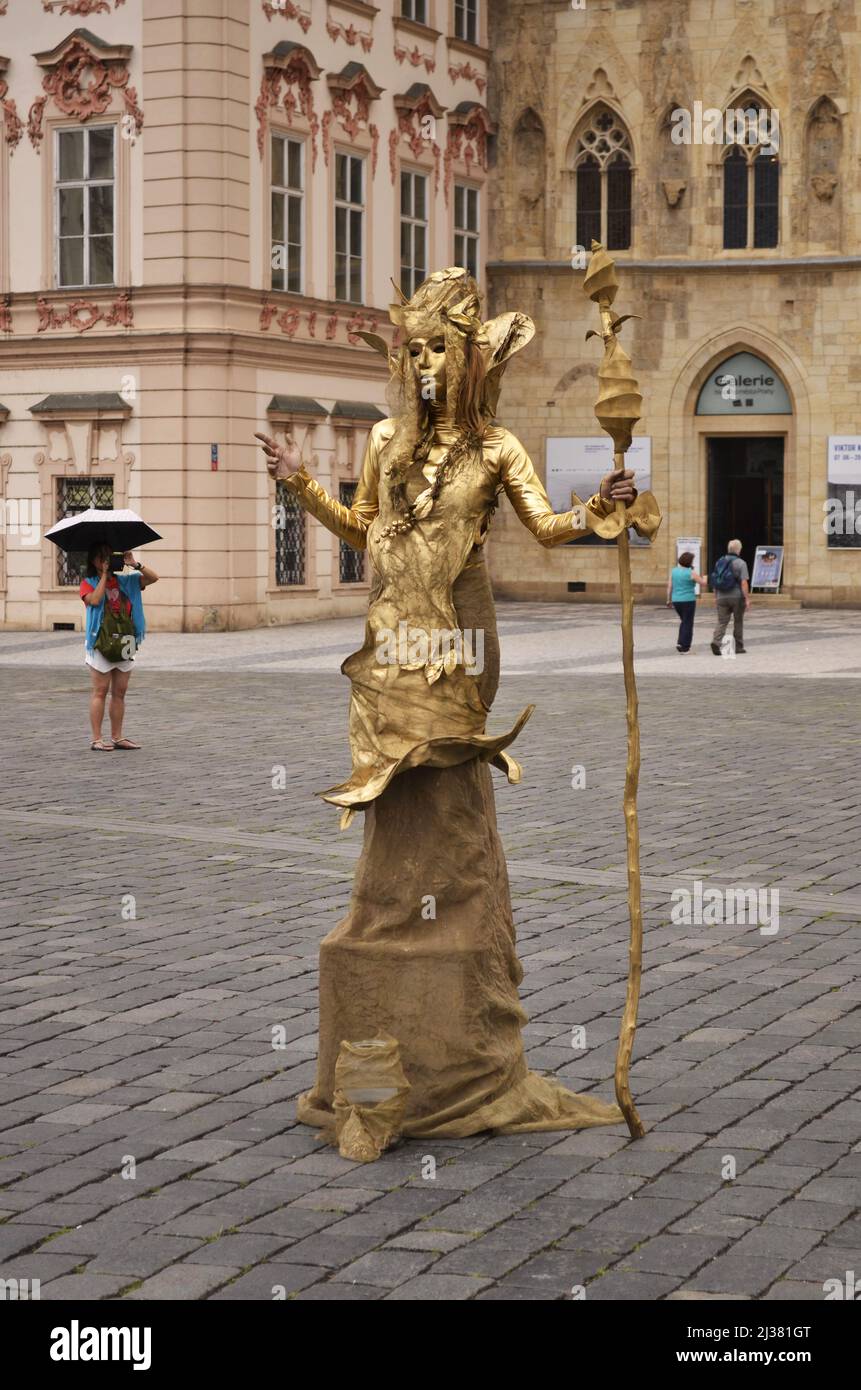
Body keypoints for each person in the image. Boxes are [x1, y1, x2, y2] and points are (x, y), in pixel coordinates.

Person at [256, 266, 661, 1146]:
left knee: (446, 768)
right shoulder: (384, 441)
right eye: (416, 348)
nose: (428, 361)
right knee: (392, 773)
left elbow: (548, 528)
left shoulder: (497, 447)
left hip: (462, 631)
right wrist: (299, 484)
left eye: (442, 346)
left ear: (472, 357)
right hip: (392, 624)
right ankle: (396, 911)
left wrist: (604, 504)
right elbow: (367, 529)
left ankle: (451, 911)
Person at [80, 544, 158, 750]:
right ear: (93, 561)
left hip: (125, 639)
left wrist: (135, 564)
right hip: (101, 640)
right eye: (101, 557)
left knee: (120, 692)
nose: (105, 560)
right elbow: (95, 600)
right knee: (100, 691)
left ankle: (117, 736)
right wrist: (104, 575)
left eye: (108, 557)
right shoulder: (88, 583)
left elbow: (153, 578)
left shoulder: (127, 581)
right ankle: (97, 739)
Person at [710, 537, 750, 654]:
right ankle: (738, 646)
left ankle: (716, 641)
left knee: (722, 621)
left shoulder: (719, 561)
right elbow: (743, 582)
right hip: (736, 596)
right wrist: (747, 598)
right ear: (739, 550)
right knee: (738, 621)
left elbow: (715, 580)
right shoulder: (741, 563)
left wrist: (715, 596)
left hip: (721, 596)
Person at [666, 550, 708, 653]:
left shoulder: (674, 571)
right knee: (688, 623)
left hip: (676, 600)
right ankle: (685, 647)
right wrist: (706, 577)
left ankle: (680, 642)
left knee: (684, 621)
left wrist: (668, 599)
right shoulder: (691, 573)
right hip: (688, 600)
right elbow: (703, 583)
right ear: (689, 562)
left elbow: (669, 586)